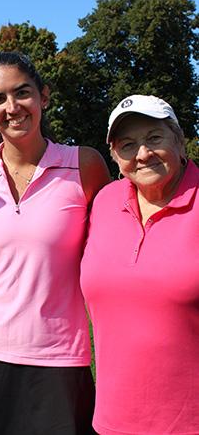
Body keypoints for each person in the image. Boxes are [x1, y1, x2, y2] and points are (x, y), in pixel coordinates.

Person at [0, 52, 111, 435]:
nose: (12, 107)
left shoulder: (84, 164)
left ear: (44, 97)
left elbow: (111, 254)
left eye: (23, 93)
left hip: (59, 363)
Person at [80, 95, 199, 434]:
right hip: (111, 421)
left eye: (154, 138)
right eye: (128, 144)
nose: (143, 153)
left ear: (179, 140)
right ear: (115, 157)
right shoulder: (104, 202)